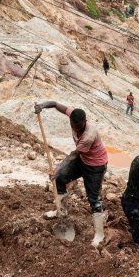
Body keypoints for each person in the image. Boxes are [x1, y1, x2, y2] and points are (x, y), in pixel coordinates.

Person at [34, 101, 109, 245]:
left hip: (95, 166)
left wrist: (57, 168)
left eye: (78, 126)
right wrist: (42, 106)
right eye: (73, 125)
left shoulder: (89, 135)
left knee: (94, 199)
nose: (75, 128)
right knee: (60, 178)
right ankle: (61, 210)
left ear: (84, 122)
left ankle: (99, 234)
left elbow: (74, 154)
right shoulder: (74, 115)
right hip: (83, 159)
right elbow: (55, 104)